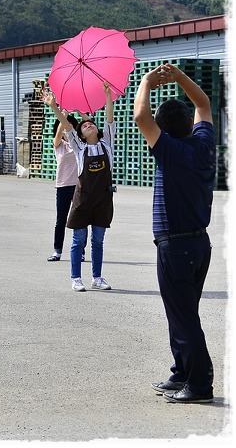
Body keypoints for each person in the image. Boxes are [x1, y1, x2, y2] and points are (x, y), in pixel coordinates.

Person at [134, 63, 216, 404]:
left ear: (163, 130)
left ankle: (199, 385)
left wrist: (146, 81)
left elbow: (141, 116)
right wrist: (180, 78)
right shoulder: (203, 144)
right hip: (199, 243)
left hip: (176, 246)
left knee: (184, 317)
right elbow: (203, 105)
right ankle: (182, 371)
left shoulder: (169, 152)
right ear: (188, 125)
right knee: (182, 312)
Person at [46, 82, 115, 292]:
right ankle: (76, 278)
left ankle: (97, 277)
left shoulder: (107, 144)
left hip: (103, 200)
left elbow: (109, 120)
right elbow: (67, 127)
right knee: (78, 240)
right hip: (83, 200)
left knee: (98, 241)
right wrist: (54, 107)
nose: (88, 125)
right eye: (84, 126)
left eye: (91, 124)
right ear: (81, 136)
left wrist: (108, 96)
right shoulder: (79, 148)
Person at [43, 105, 81, 262]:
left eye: (69, 126)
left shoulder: (78, 145)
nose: (66, 129)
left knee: (80, 219)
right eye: (64, 127)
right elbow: (58, 134)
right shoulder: (59, 146)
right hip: (63, 185)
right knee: (61, 220)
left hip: (78, 185)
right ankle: (57, 251)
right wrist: (64, 113)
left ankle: (81, 250)